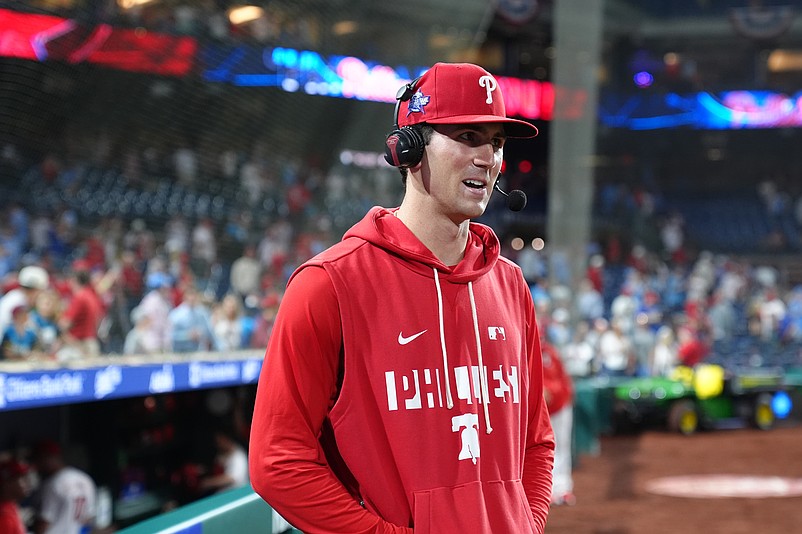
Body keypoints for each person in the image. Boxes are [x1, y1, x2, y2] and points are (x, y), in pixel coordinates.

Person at [249, 62, 555, 533]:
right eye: (468, 137)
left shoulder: (511, 284)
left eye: (496, 142)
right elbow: (278, 461)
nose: (487, 158)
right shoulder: (328, 284)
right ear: (407, 148)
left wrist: (525, 525)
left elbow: (536, 440)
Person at [30, 440, 97, 534]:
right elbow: (88, 519)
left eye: (38, 460)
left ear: (48, 457)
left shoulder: (52, 483)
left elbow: (43, 523)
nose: (37, 465)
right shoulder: (85, 479)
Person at [540, 341, 575, 506]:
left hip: (560, 405)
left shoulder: (551, 351)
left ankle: (562, 488)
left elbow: (563, 377)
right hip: (539, 409)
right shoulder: (520, 350)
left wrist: (566, 395)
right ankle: (546, 491)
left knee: (562, 446)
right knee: (541, 450)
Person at [0, 458, 30, 534]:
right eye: (21, 479)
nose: (27, 483)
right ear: (6, 483)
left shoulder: (11, 505)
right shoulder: (4, 516)